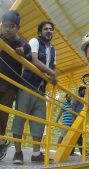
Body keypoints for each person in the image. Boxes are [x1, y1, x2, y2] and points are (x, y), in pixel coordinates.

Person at [11, 21, 57, 165]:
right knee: (20, 117)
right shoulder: (34, 41)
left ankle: (36, 153)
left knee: (39, 121)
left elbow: (53, 67)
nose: (49, 31)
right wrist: (51, 73)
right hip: (27, 85)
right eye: (45, 29)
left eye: (51, 29)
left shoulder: (54, 49)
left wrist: (53, 74)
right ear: (40, 32)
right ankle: (18, 153)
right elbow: (35, 60)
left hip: (41, 90)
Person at [0, 10, 32, 161]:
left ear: (17, 28)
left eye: (11, 26)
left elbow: (29, 55)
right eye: (5, 25)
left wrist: (22, 53)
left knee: (2, 114)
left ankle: (0, 142)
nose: (7, 29)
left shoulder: (23, 44)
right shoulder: (0, 38)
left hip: (9, 86)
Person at [70, 86, 89, 156]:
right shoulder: (76, 97)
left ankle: (80, 152)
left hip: (80, 119)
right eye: (84, 91)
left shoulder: (81, 99)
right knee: (76, 136)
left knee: (78, 136)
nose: (85, 93)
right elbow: (73, 107)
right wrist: (73, 119)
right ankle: (82, 152)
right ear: (80, 91)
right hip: (76, 119)